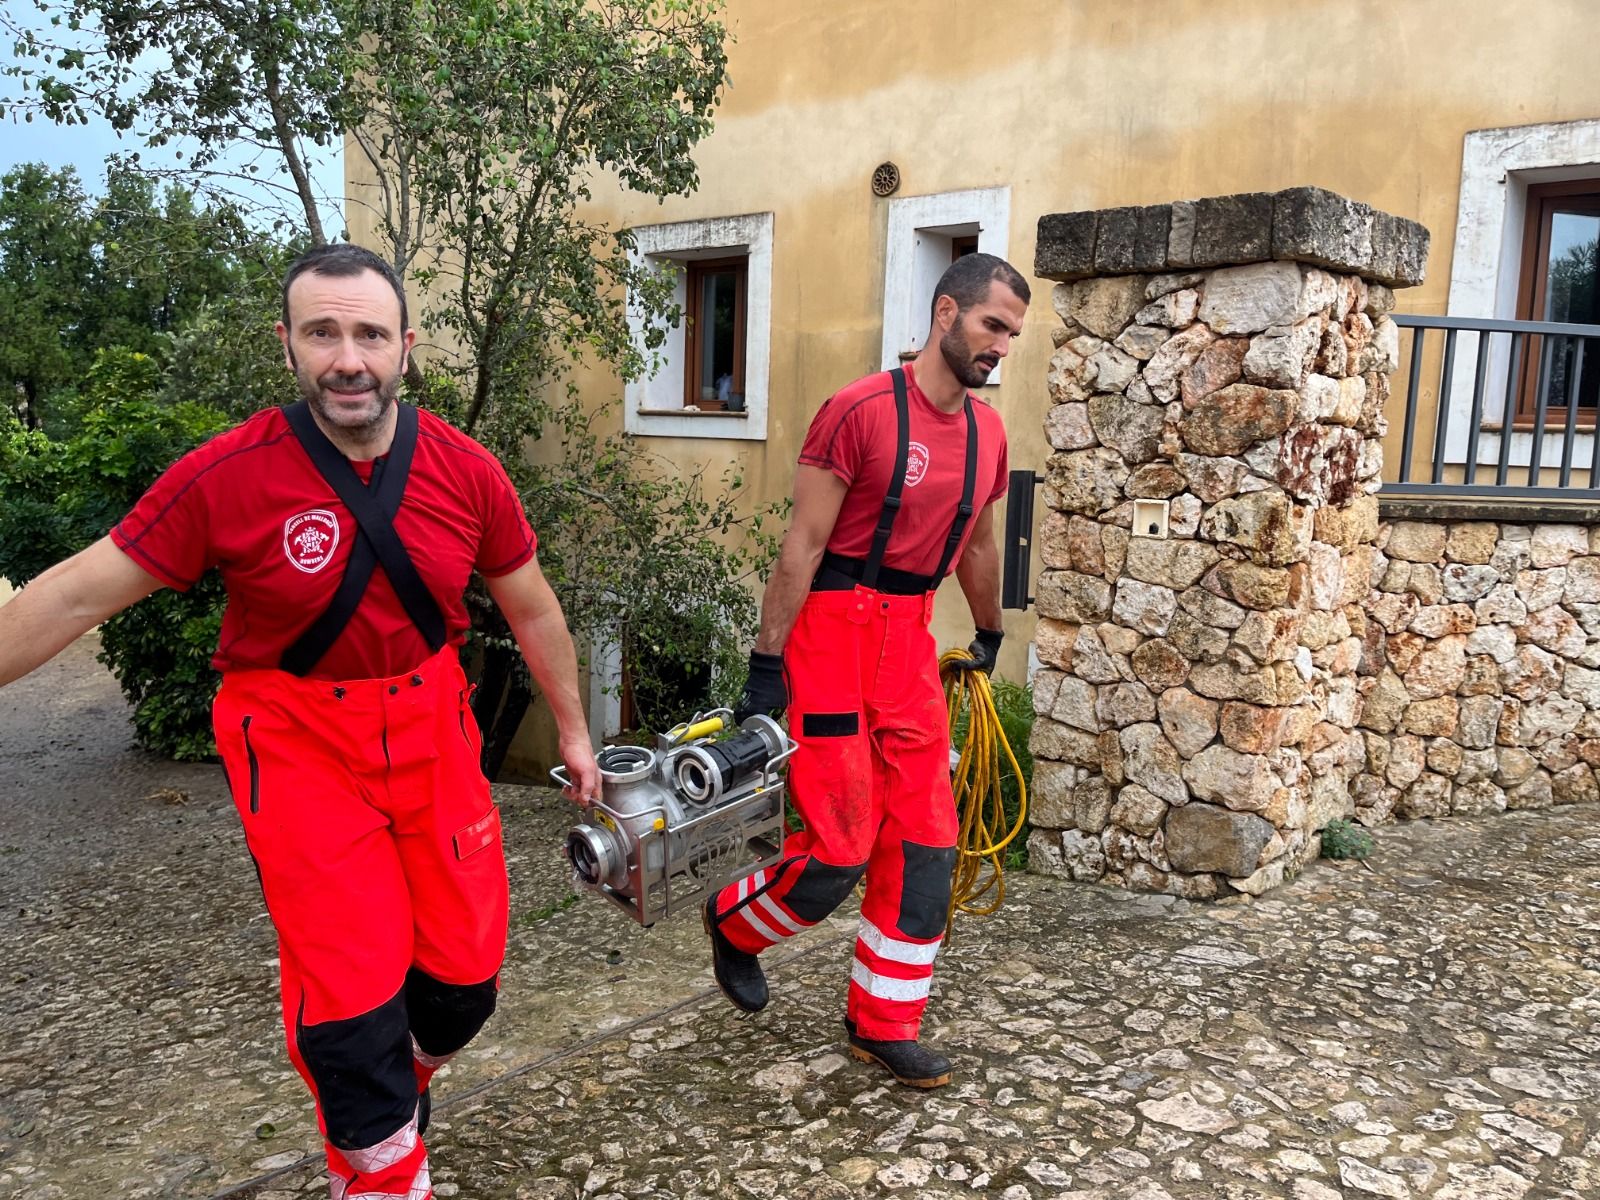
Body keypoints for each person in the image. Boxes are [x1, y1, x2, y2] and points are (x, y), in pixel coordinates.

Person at [0, 244, 601, 1199]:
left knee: (461, 985)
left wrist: (572, 730)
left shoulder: (466, 471)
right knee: (351, 1005)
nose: (348, 358)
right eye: (323, 333)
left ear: (407, 346)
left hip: (433, 727)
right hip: (296, 743)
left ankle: (396, 1090)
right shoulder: (228, 477)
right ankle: (379, 1164)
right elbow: (74, 597)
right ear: (288, 346)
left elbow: (530, 607)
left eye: (369, 334)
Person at [703, 252, 1030, 1088]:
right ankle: (734, 925)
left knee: (927, 843)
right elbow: (801, 547)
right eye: (994, 325)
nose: (1002, 346)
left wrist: (989, 632)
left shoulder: (989, 435)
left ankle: (882, 1020)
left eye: (1013, 334)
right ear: (947, 312)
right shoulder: (857, 412)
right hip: (830, 638)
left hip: (911, 644)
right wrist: (765, 666)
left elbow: (980, 545)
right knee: (836, 852)